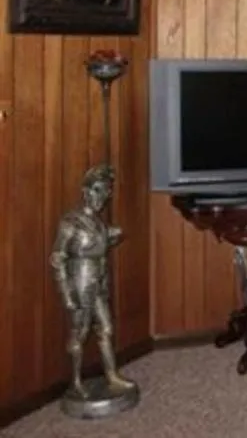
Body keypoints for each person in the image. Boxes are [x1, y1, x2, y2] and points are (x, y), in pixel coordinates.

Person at [49, 164, 135, 398]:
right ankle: (75, 381)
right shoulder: (71, 222)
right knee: (80, 332)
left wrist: (114, 237)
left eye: (106, 191)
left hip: (98, 281)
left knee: (106, 328)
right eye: (98, 190)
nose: (102, 196)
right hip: (80, 281)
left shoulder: (98, 223)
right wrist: (67, 293)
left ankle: (112, 375)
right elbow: (57, 257)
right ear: (86, 191)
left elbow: (100, 245)